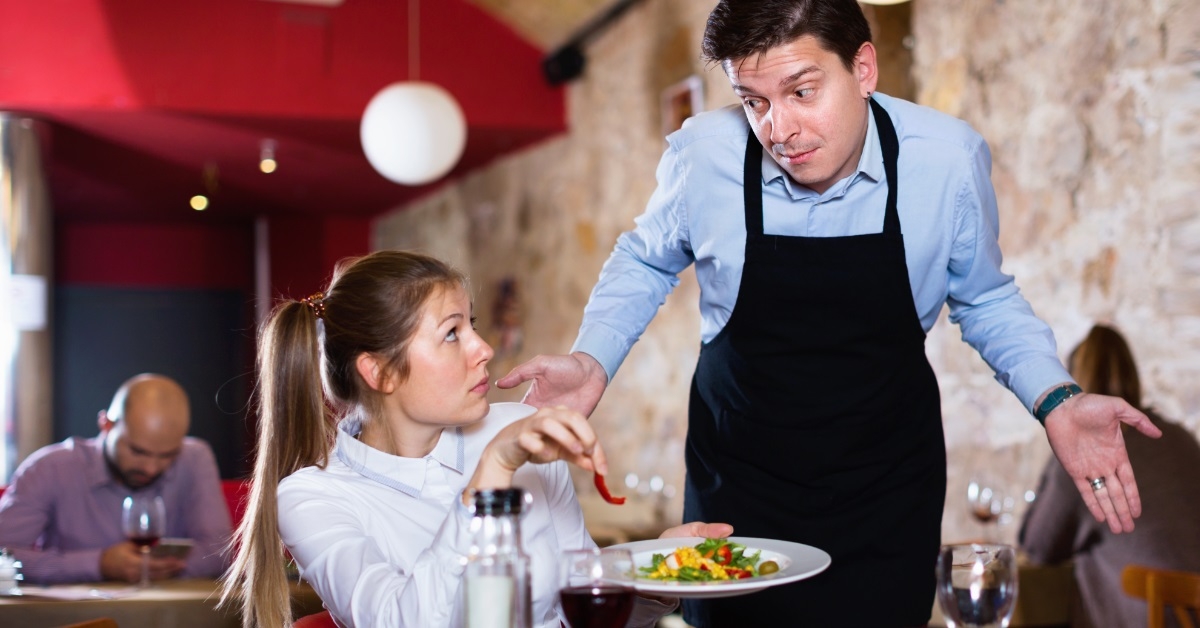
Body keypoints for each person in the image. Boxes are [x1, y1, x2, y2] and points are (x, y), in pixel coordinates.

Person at [495, 1, 1162, 625]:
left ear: (863, 69)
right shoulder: (706, 155)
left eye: (801, 92)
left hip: (885, 494)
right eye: (752, 100)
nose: (777, 129)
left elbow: (984, 295)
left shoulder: (946, 161)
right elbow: (645, 259)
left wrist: (1057, 398)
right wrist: (593, 356)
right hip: (741, 487)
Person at [219, 250, 731, 628]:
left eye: (473, 325)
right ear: (379, 373)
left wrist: (658, 573)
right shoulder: (314, 497)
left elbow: (579, 611)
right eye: (451, 333)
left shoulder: (515, 430)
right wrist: (493, 471)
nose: (483, 349)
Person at [1020, 324, 1200, 627]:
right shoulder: (1181, 438)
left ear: (1075, 386)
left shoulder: (1087, 454)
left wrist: (1059, 441)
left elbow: (1037, 547)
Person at [0, 373, 232, 584]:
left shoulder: (195, 458)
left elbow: (221, 555)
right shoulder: (48, 468)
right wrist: (98, 564)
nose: (151, 468)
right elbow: (2, 557)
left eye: (168, 455)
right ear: (106, 425)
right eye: (138, 451)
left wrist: (149, 568)